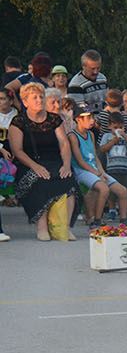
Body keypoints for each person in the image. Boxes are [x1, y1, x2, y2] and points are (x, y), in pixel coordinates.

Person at [7, 81, 77, 239]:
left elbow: (64, 143)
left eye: (41, 97)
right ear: (25, 102)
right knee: (40, 180)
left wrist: (66, 165)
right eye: (34, 98)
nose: (39, 100)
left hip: (54, 161)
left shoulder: (54, 119)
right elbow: (17, 151)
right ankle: (42, 226)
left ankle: (64, 228)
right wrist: (36, 167)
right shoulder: (18, 122)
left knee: (69, 181)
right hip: (28, 163)